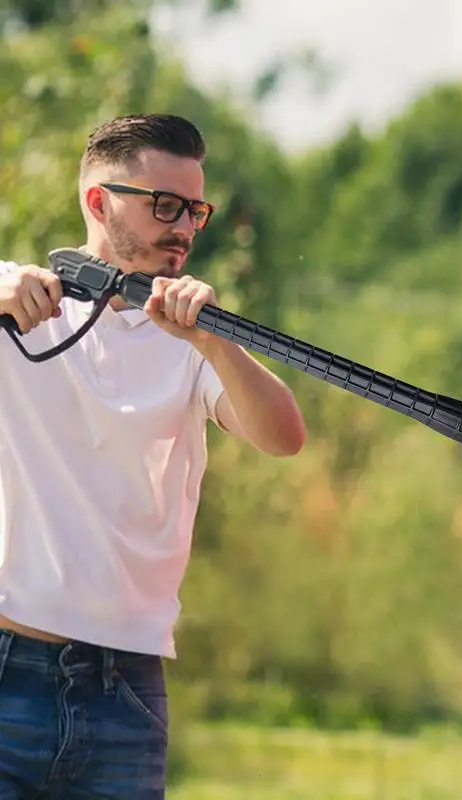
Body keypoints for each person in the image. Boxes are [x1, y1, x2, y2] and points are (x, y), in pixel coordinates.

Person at [0, 113, 307, 798]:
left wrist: (216, 342)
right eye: (164, 205)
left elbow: (283, 436)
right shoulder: (12, 302)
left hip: (128, 694)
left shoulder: (191, 343)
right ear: (97, 201)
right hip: (6, 672)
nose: (184, 228)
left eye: (195, 211)